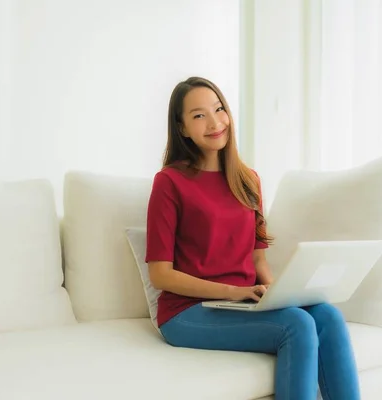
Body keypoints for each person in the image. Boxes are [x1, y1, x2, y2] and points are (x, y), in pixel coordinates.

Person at [145, 76, 360, 400]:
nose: (215, 122)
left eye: (219, 109)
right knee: (296, 325)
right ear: (183, 128)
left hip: (243, 302)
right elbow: (160, 274)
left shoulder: (249, 181)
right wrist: (235, 291)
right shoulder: (169, 182)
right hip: (187, 312)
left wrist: (279, 292)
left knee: (326, 314)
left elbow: (258, 259)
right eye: (199, 115)